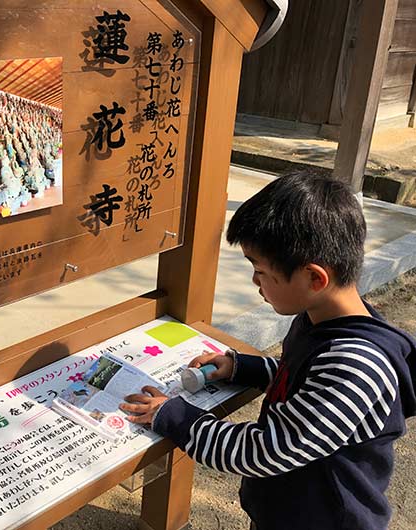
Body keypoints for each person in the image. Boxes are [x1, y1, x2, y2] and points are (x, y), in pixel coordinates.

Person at [121, 171, 416, 530]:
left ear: (314, 278)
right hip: (287, 510)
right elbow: (300, 379)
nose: (254, 282)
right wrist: (242, 368)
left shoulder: (355, 365)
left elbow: (266, 452)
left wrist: (174, 416)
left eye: (261, 272)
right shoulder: (317, 318)